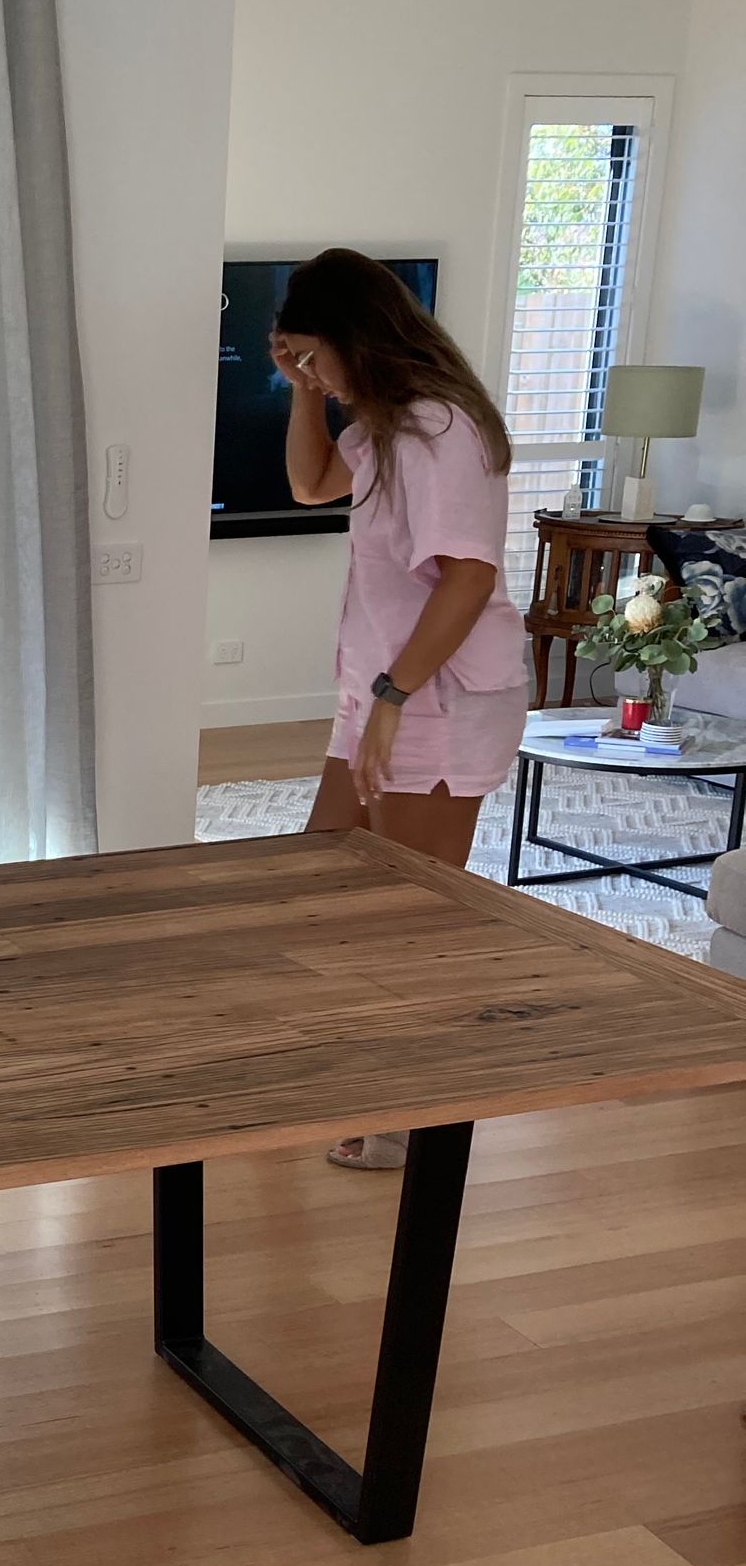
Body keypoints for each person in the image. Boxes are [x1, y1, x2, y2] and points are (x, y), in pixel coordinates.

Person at [270, 249, 527, 1169]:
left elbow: (469, 576)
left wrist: (394, 695)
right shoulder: (380, 426)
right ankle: (349, 1077)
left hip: (436, 696)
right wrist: (304, 392)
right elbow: (306, 487)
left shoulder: (439, 427)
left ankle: (415, 1121)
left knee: (408, 916)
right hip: (380, 691)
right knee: (323, 888)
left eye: (316, 357)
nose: (314, 373)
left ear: (355, 337)